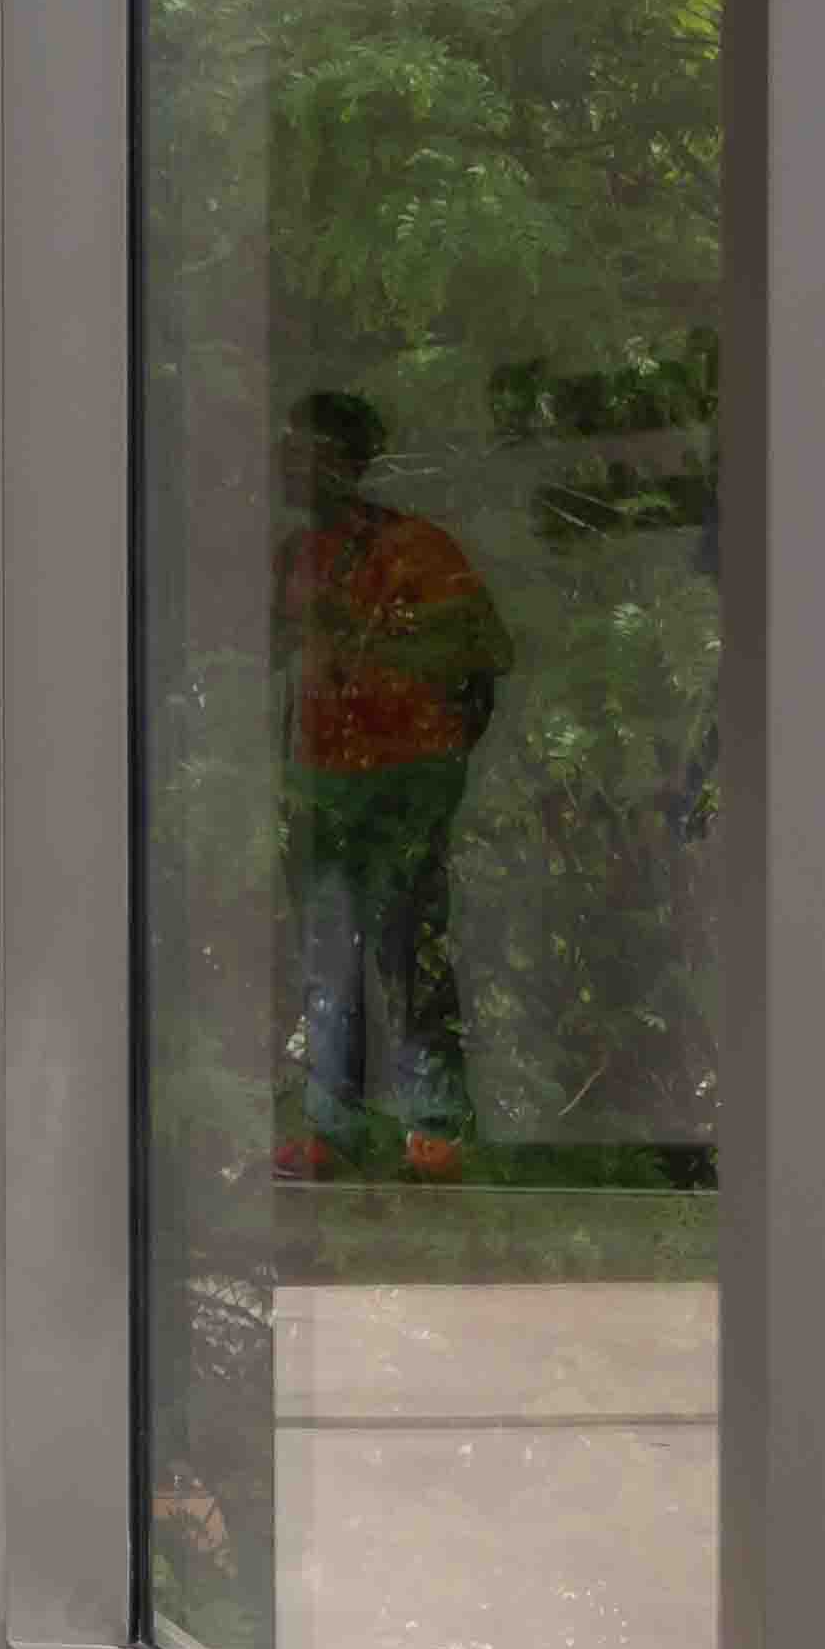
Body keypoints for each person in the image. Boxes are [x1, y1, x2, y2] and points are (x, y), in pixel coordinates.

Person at [273, 392, 507, 1184]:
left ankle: (433, 1126)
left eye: (311, 450)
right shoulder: (296, 558)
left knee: (406, 948)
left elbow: (485, 661)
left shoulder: (419, 547)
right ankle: (332, 1130)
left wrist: (436, 764)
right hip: (322, 781)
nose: (294, 464)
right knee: (327, 958)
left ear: (350, 460)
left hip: (403, 778)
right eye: (290, 449)